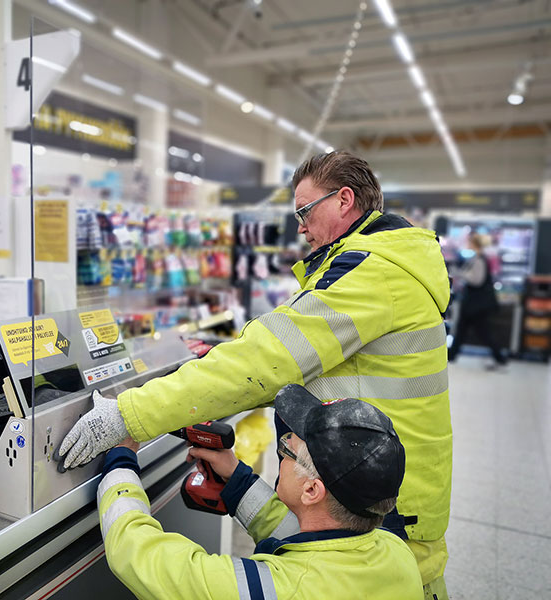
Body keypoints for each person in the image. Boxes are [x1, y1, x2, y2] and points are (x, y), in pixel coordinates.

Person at [59, 151, 452, 597]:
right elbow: (306, 538)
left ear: (344, 200)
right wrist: (238, 479)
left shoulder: (374, 274)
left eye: (305, 210)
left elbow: (267, 359)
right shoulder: (383, 263)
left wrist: (128, 417)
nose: (300, 226)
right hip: (378, 490)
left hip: (381, 498)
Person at [97, 384, 423, 600]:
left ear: (311, 489)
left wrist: (121, 464)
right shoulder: (396, 553)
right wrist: (238, 483)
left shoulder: (273, 590)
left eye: (287, 449)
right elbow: (307, 539)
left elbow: (138, 554)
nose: (281, 454)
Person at [447, 233, 506, 368]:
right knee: (464, 329)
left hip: (476, 304)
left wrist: (459, 273)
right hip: (474, 303)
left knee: (482, 331)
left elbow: (477, 281)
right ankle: (452, 354)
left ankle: (499, 356)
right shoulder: (477, 258)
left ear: (474, 244)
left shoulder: (479, 260)